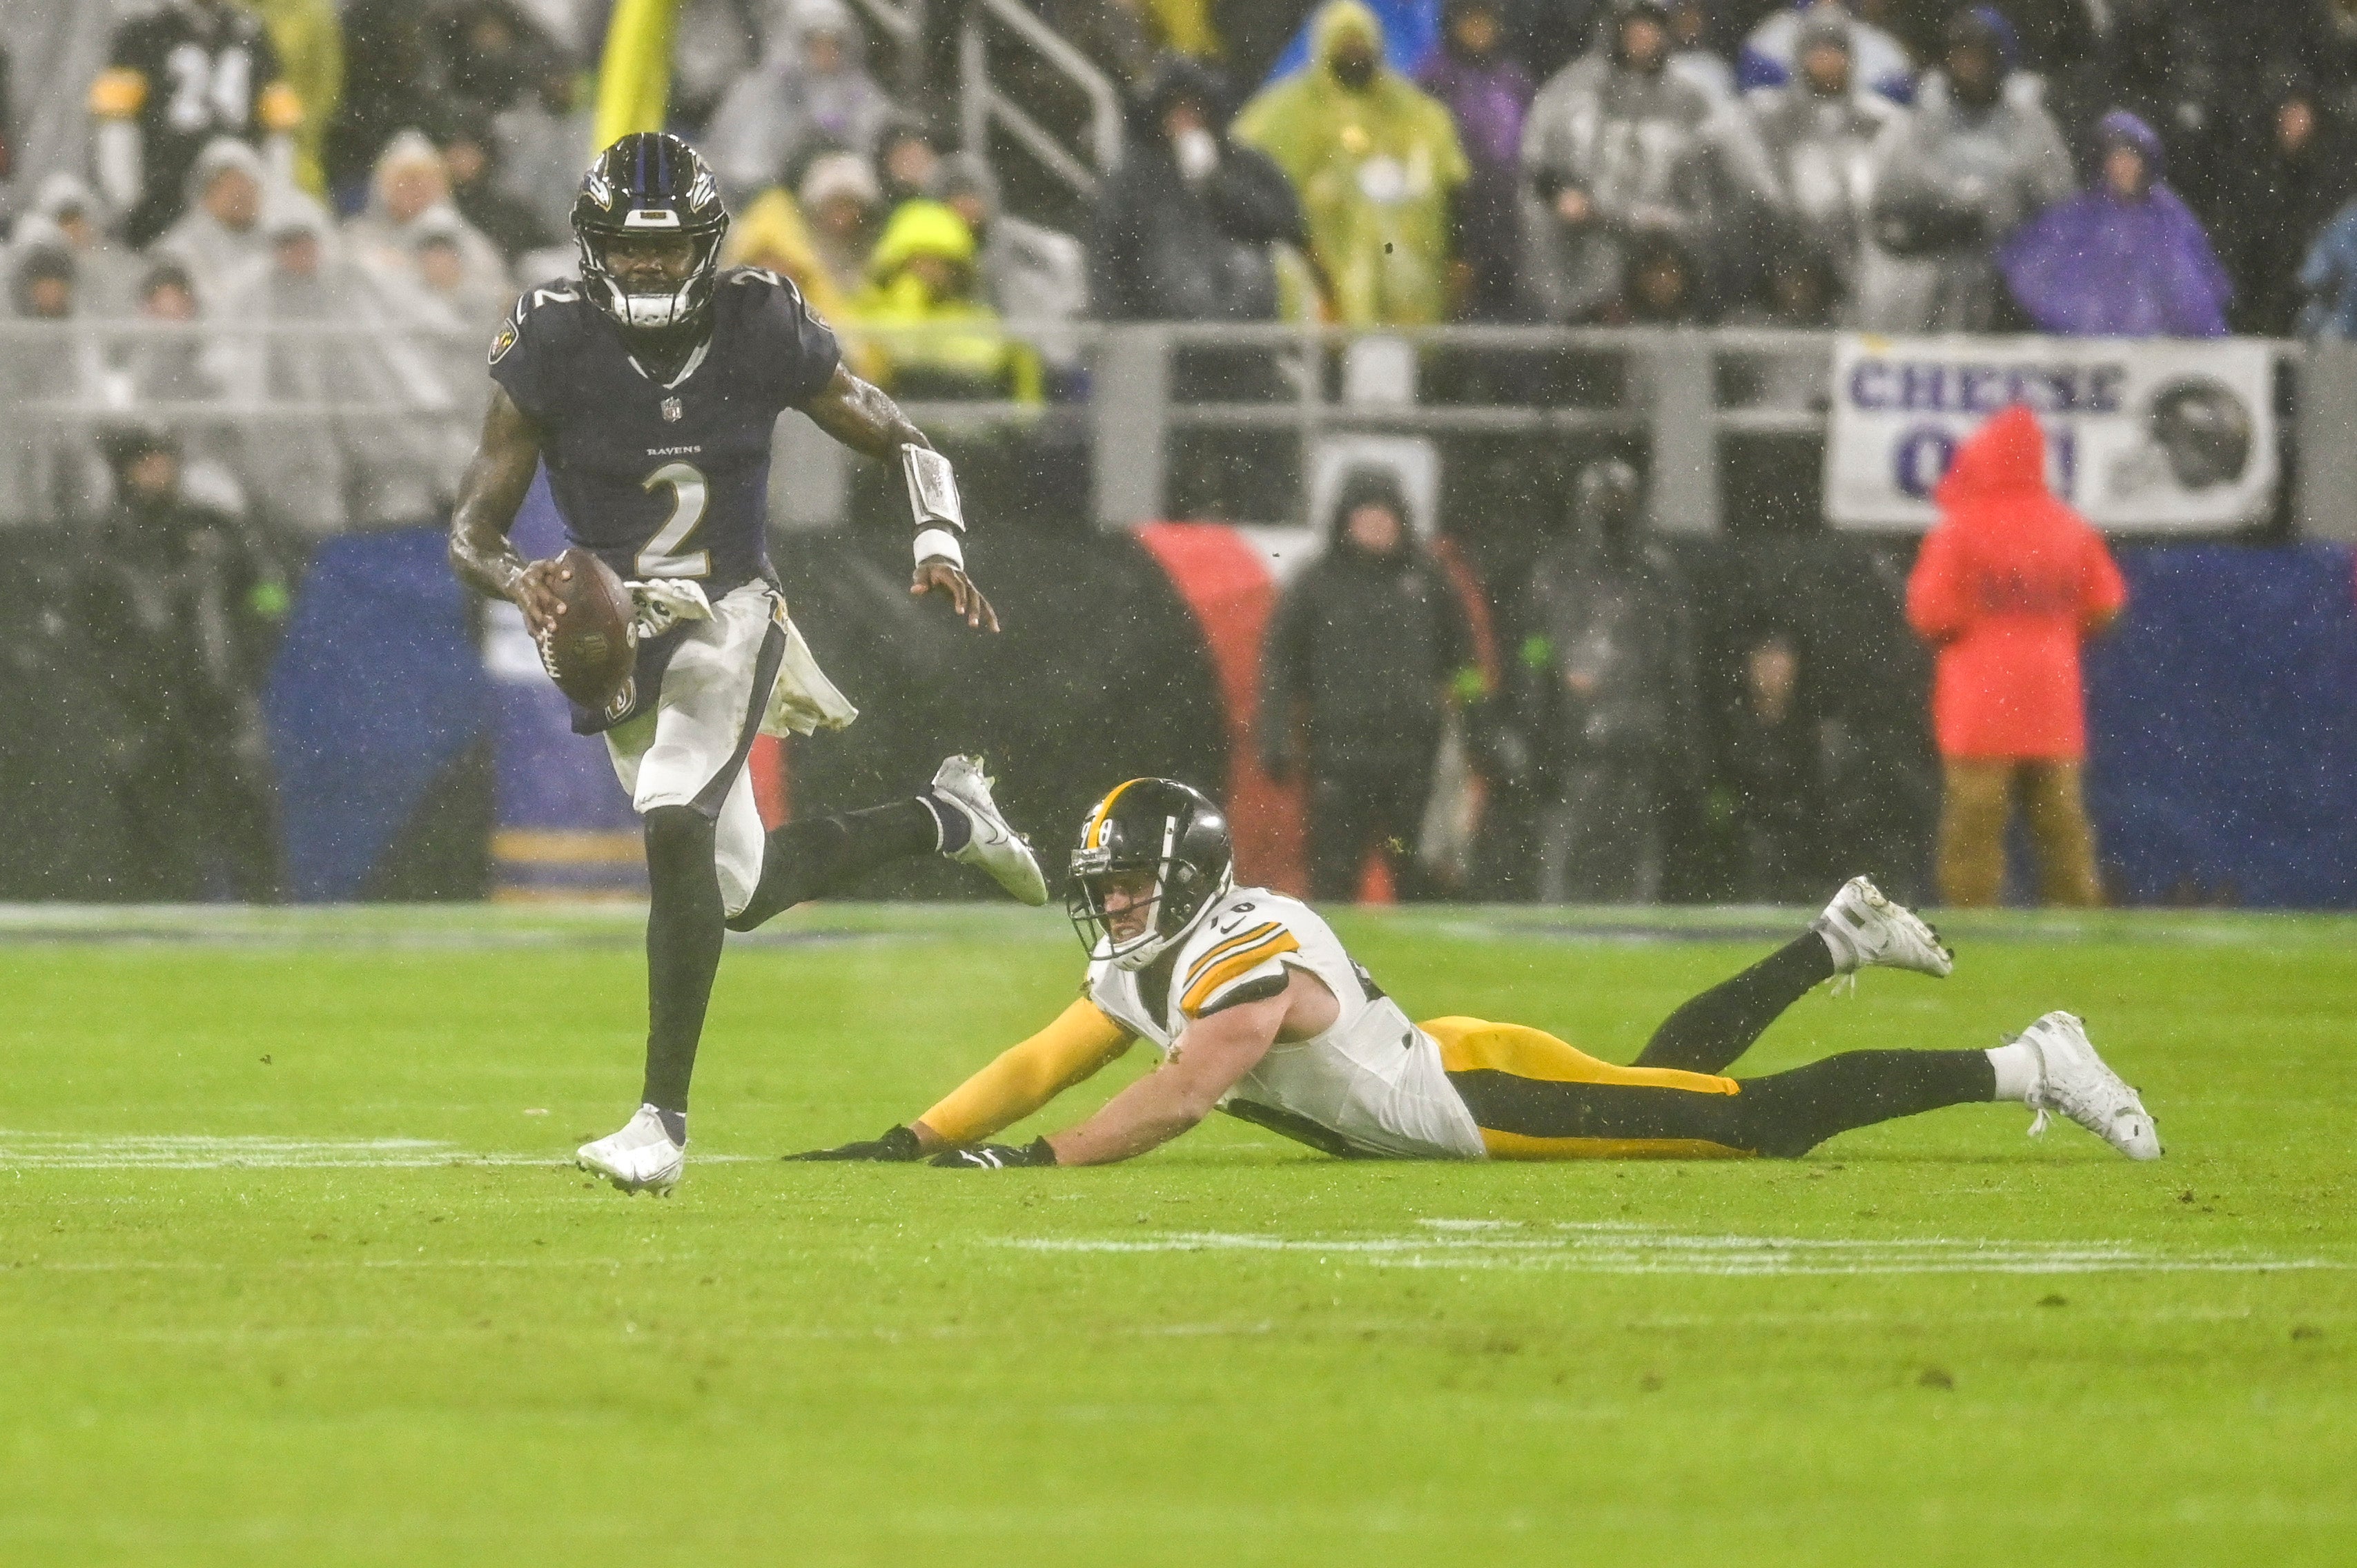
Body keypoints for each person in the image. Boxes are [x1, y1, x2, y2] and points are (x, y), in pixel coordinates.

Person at [447, 133, 1052, 1196]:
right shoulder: (549, 338)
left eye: (666, 247)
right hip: (624, 633)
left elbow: (903, 436)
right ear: (591, 248)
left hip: (730, 611)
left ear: (706, 245)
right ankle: (945, 819)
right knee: (738, 889)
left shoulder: (758, 319)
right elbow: (472, 528)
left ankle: (659, 1125)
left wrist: (938, 539)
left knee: (673, 814)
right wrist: (520, 581)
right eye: (626, 249)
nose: (645, 266)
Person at [788, 778, 2162, 1168]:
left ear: (1192, 877)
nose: (1114, 908)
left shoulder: (1242, 941)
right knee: (1667, 1085)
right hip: (1447, 1073)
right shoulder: (1156, 954)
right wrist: (918, 1136)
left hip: (1472, 1094)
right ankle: (1833, 940)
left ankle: (2027, 1060)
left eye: (1131, 885)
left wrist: (1037, 1164)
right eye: (1105, 890)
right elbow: (1047, 1057)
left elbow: (1186, 1091)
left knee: (1749, 1122)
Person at [1906, 405, 2126, 909]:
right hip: (2052, 703)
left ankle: (1971, 923)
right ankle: (2076, 919)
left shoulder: (1958, 529)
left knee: (1974, 828)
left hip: (1980, 706)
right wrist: (2053, 633)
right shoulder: (2069, 527)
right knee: (2062, 825)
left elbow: (1930, 614)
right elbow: (2106, 605)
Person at [75, 427, 288, 901]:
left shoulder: (216, 528)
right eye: (141, 461)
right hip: (146, 711)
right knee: (155, 835)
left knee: (250, 821)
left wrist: (245, 656)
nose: (155, 470)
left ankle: (268, 918)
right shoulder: (106, 546)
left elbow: (270, 593)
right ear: (122, 471)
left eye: (161, 458)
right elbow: (90, 629)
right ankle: (159, 923)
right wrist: (123, 683)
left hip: (219, 702)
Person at [1258, 467, 1474, 902]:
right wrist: (1274, 736)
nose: (1376, 527)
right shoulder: (1316, 583)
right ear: (1346, 521)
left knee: (1415, 874)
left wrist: (1479, 729)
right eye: (1366, 517)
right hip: (1337, 762)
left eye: (1385, 517)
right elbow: (1280, 667)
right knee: (1333, 877)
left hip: (1414, 763)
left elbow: (1465, 663)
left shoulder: (1430, 580)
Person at [1514, 458, 1697, 902]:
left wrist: (1681, 733)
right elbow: (1535, 651)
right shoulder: (1556, 573)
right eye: (1603, 500)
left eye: (1620, 500)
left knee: (1636, 861)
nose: (1611, 510)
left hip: (1640, 740)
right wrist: (1535, 721)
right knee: (1566, 856)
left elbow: (1676, 659)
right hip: (1573, 743)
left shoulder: (1656, 574)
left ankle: (1635, 925)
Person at [1518, 0, 1766, 325]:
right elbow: (1539, 164)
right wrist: (1562, 195)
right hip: (1591, 259)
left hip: (1668, 264)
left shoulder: (1692, 101)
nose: (1643, 37)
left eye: (1651, 27)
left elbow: (1721, 180)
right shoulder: (1572, 93)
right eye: (1634, 28)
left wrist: (1677, 227)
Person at [1233, 0, 1471, 326]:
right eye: (1346, 44)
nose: (1355, 53)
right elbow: (1247, 162)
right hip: (1321, 277)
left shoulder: (1408, 109)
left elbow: (1449, 175)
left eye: (1362, 44)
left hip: (1402, 283)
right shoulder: (1290, 109)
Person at [1858, 7, 2074, 334]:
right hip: (1928, 281)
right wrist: (1941, 218)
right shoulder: (1915, 125)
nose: (1970, 65)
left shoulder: (2031, 126)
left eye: (1980, 55)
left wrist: (2005, 222)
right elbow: (1886, 213)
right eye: (1961, 54)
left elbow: (2060, 209)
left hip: (2009, 284)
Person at [1996, 110, 2231, 338]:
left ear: (2145, 161)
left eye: (2130, 157)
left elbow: (2194, 287)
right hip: (2088, 350)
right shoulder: (2081, 215)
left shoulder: (2168, 216)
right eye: (2116, 157)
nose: (2123, 166)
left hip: (2157, 349)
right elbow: (2033, 267)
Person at [90, 0, 304, 246]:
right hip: (165, 195)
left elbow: (278, 132)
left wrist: (275, 198)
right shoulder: (143, 30)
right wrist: (128, 198)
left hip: (235, 200)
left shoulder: (250, 32)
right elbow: (117, 124)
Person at [1744, 8, 1904, 315]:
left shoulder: (1880, 121)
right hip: (1793, 250)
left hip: (1863, 252)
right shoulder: (1769, 117)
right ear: (1800, 56)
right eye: (1818, 50)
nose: (1828, 60)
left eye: (1836, 51)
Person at [702, 0, 896, 202]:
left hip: (843, 198)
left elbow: (877, 138)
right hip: (777, 197)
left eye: (833, 45)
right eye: (817, 45)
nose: (826, 53)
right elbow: (745, 161)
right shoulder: (767, 90)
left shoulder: (859, 92)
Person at [852, 199, 1042, 401]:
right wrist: (911, 300)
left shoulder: (981, 322)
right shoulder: (862, 315)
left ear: (957, 269)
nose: (930, 271)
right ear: (896, 264)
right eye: (920, 260)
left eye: (939, 262)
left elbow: (1014, 386)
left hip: (965, 417)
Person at [1416, 0, 1536, 319]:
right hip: (1457, 207)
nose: (1479, 29)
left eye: (1485, 20)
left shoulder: (1514, 79)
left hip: (1507, 209)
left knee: (1507, 301)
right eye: (1470, 20)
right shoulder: (1434, 77)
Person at [934, 154, 1089, 377]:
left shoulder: (1016, 242)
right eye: (956, 197)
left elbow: (1066, 258)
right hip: (974, 362)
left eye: (972, 195)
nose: (966, 205)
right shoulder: (934, 253)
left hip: (1042, 356)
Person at [151, 139, 276, 313]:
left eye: (246, 185)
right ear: (205, 192)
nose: (239, 195)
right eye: (228, 186)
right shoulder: (176, 255)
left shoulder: (280, 242)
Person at [1738, 0, 1916, 104]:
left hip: (1859, 148)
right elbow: (1757, 106)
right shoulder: (1769, 40)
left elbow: (1893, 112)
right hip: (1788, 144)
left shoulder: (1885, 51)